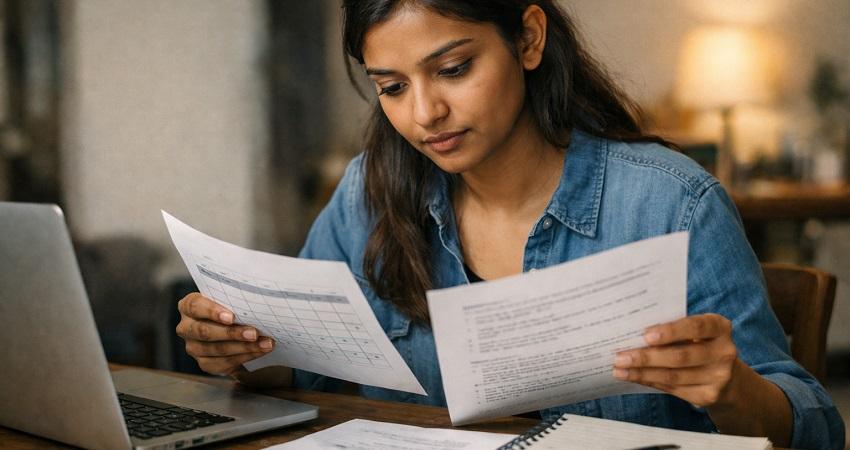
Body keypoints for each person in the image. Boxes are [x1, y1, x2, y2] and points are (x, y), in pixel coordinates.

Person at [174, 1, 845, 448]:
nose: (425, 113)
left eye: (454, 68)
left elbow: (816, 428)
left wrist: (731, 387)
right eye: (392, 87)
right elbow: (298, 381)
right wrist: (245, 353)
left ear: (527, 39)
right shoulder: (368, 195)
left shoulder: (671, 205)